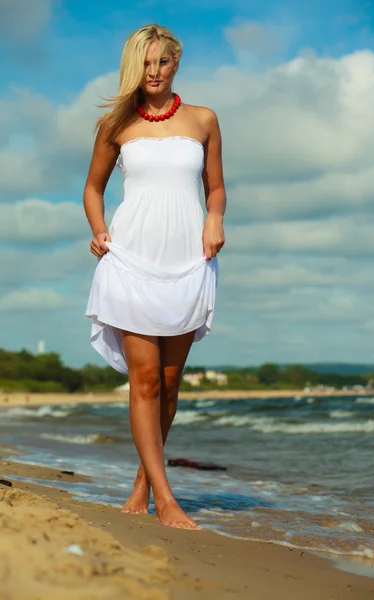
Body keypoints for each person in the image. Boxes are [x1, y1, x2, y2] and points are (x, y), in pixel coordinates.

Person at [83, 24, 226, 530]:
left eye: (162, 62)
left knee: (168, 383)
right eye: (145, 63)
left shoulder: (204, 119)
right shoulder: (115, 125)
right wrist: (99, 231)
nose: (154, 72)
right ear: (133, 66)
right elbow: (93, 189)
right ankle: (167, 501)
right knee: (144, 381)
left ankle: (144, 484)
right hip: (132, 260)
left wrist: (216, 218)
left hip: (189, 260)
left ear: (176, 62)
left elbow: (215, 188)